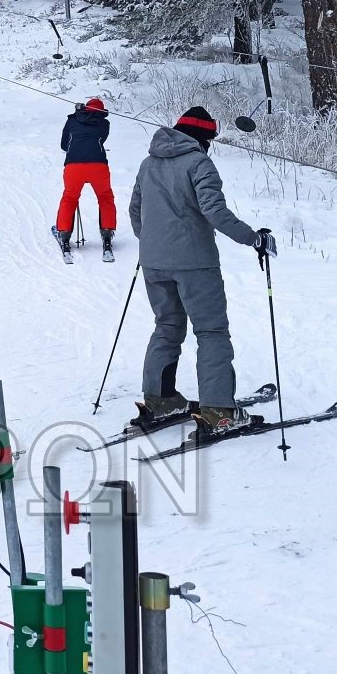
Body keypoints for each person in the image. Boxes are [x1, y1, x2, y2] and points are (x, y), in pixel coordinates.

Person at [127, 107, 276, 435]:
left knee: (166, 327)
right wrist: (254, 238)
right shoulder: (198, 163)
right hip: (194, 263)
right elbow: (215, 212)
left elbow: (136, 212)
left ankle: (160, 399)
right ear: (202, 138)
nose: (209, 146)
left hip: (153, 263)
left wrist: (154, 244)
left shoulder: (148, 163)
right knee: (211, 332)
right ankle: (219, 410)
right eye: (209, 139)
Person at [54, 99, 117, 258]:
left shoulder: (72, 119)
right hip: (98, 165)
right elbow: (101, 139)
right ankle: (108, 234)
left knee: (69, 198)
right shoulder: (104, 124)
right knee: (105, 198)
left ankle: (64, 234)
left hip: (73, 166)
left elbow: (63, 144)